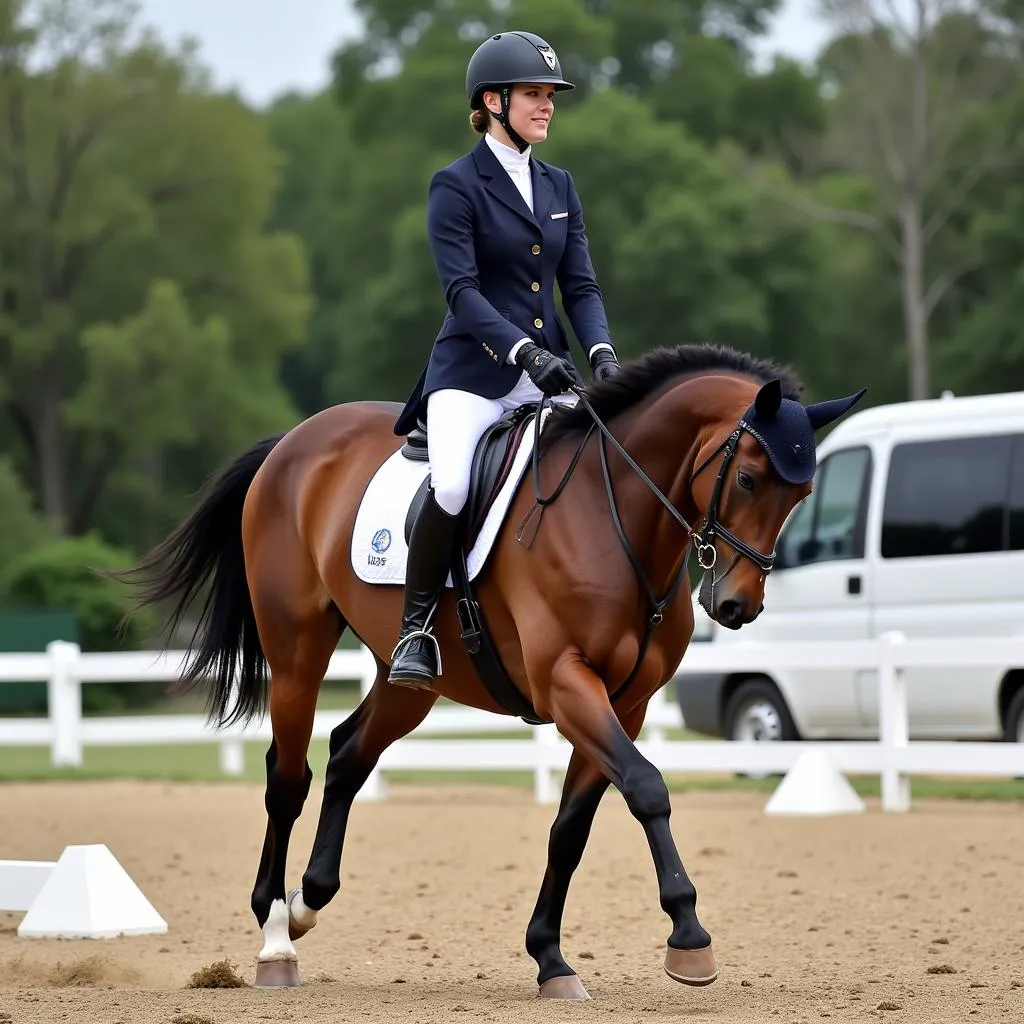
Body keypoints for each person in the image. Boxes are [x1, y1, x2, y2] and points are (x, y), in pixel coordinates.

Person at [388, 30, 621, 690]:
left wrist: (601, 354)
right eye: (533, 95)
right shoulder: (455, 185)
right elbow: (461, 292)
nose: (547, 106)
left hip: (548, 374)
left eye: (550, 95)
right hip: (472, 374)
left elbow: (579, 286)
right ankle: (416, 628)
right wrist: (521, 350)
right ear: (492, 101)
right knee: (455, 484)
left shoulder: (559, 185)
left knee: (601, 461)